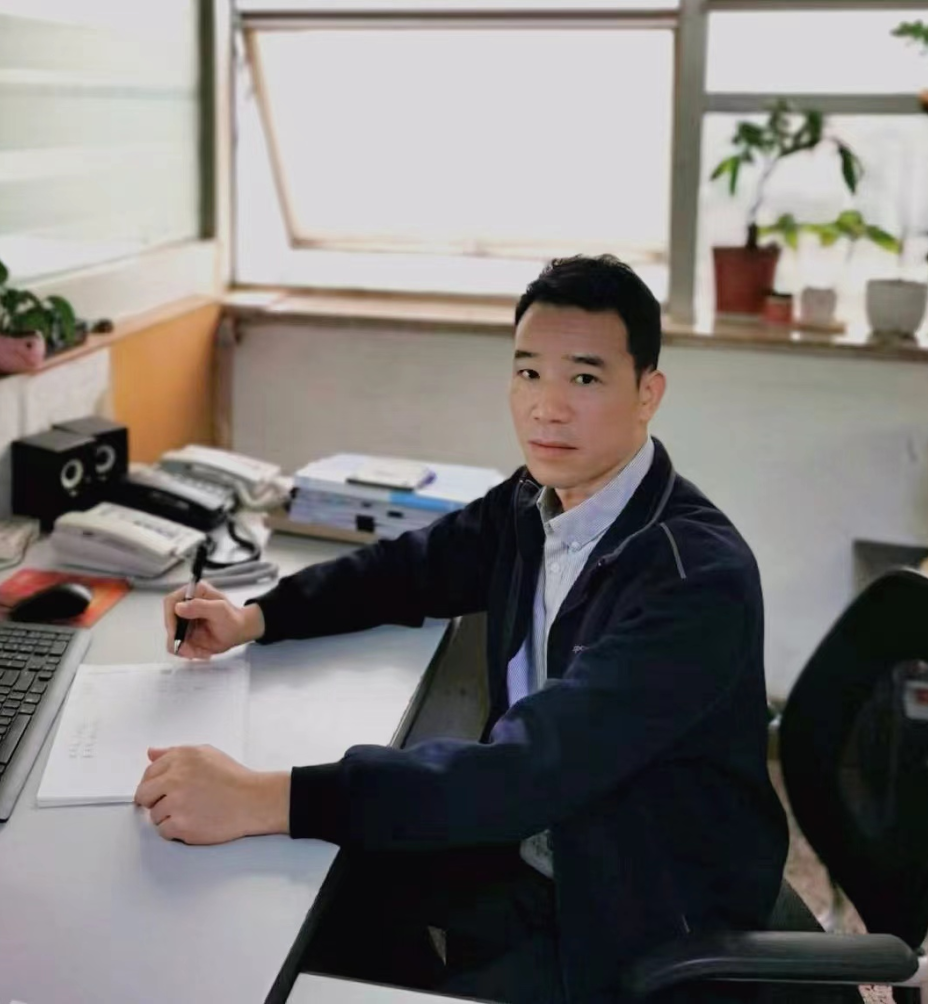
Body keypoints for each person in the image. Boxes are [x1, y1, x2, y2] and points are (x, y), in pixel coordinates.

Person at [134, 255, 789, 1004]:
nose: (547, 408)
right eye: (528, 373)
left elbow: (527, 771)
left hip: (630, 909)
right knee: (296, 898)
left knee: (305, 887)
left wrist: (264, 797)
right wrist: (258, 615)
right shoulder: (537, 501)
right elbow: (412, 567)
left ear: (648, 393)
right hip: (536, 843)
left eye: (584, 378)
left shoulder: (693, 579)